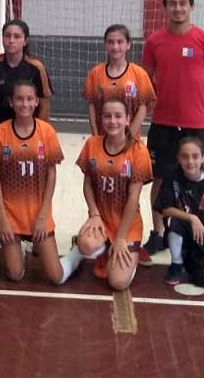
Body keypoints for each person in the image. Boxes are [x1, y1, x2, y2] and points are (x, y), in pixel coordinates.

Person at [140, 0, 204, 261]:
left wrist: (198, 102)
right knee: (159, 179)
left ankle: (203, 239)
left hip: (196, 124)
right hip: (163, 123)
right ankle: (159, 233)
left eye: (183, 3)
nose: (178, 8)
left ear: (191, 7)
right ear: (165, 8)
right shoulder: (154, 42)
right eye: (173, 3)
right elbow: (145, 80)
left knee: (202, 181)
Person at [0, 81, 77, 284]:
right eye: (19, 99)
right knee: (15, 274)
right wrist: (2, 218)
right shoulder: (0, 134)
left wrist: (43, 216)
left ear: (36, 102)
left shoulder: (47, 132)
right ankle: (19, 248)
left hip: (37, 214)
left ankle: (77, 252)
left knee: (56, 277)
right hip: (10, 214)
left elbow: (51, 174)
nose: (24, 104)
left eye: (29, 99)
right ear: (11, 102)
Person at [67, 98, 153, 291]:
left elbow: (133, 198)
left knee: (117, 282)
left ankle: (127, 254)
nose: (113, 121)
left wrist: (121, 238)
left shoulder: (139, 151)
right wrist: (94, 213)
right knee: (86, 245)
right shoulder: (92, 144)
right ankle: (101, 248)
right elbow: (88, 184)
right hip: (102, 219)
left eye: (118, 116)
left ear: (127, 119)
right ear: (101, 119)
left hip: (127, 225)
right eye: (107, 116)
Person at [153, 137, 204, 288]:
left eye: (195, 156)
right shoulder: (172, 177)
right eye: (185, 156)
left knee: (203, 281)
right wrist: (192, 218)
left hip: (202, 236)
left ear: (203, 157)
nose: (190, 161)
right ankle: (176, 263)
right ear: (178, 158)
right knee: (173, 220)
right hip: (181, 228)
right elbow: (165, 208)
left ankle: (203, 255)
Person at [0, 19, 52, 136]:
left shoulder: (36, 67)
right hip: (1, 131)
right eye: (7, 36)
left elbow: (45, 105)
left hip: (29, 132)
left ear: (25, 41)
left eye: (17, 36)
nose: (11, 40)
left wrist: (38, 135)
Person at [82, 24, 155, 138]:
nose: (115, 47)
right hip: (103, 139)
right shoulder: (95, 73)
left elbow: (142, 108)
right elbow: (92, 107)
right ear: (105, 45)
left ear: (128, 44)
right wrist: (95, 137)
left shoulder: (139, 74)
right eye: (110, 42)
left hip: (130, 140)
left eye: (120, 42)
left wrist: (129, 137)